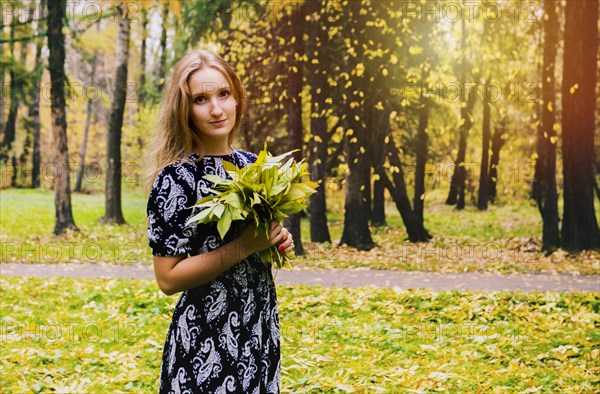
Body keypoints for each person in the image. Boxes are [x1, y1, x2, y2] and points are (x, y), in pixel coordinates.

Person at [144, 48, 294, 393]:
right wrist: (243, 246)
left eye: (224, 94)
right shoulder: (176, 179)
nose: (216, 109)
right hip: (205, 337)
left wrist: (276, 239)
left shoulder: (254, 166)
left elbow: (261, 244)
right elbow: (167, 279)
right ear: (185, 110)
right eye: (201, 98)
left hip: (258, 328)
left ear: (237, 97)